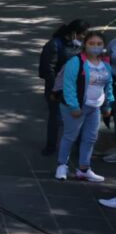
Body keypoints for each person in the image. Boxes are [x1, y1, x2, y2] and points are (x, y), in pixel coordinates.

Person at [54, 32, 113, 182]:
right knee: (70, 136)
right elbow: (68, 86)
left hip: (95, 108)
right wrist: (74, 106)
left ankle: (84, 169)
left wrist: (107, 105)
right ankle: (62, 166)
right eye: (92, 43)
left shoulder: (105, 65)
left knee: (90, 138)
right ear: (85, 45)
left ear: (103, 46)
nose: (95, 47)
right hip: (76, 107)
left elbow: (108, 86)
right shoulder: (76, 62)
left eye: (99, 44)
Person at [39, 19, 89, 155]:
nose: (84, 38)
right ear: (74, 33)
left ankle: (78, 146)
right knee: (56, 117)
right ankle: (51, 146)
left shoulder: (79, 46)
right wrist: (56, 89)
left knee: (79, 116)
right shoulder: (54, 45)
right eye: (82, 34)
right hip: (58, 89)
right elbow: (48, 69)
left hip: (76, 88)